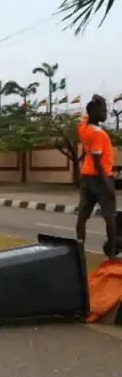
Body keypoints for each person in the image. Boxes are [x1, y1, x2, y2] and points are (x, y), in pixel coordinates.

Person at [77, 94, 117, 257]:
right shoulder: (98, 134)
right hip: (101, 177)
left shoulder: (83, 128)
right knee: (110, 216)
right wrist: (107, 184)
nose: (106, 113)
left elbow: (86, 116)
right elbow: (97, 160)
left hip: (86, 177)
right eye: (103, 110)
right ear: (94, 113)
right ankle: (112, 254)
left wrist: (97, 102)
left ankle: (80, 250)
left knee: (82, 217)